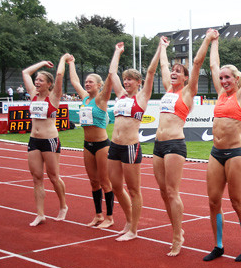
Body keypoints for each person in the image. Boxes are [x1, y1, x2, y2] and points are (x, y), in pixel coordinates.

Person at [155, 32, 214, 256]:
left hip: (174, 145)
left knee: (172, 191)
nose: (174, 72)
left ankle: (177, 235)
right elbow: (163, 64)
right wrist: (162, 47)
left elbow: (197, 62)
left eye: (179, 71)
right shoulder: (168, 90)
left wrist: (207, 40)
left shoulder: (188, 92)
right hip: (158, 145)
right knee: (162, 192)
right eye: (173, 70)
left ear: (186, 77)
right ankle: (175, 229)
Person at [203, 30, 241, 262]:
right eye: (222, 78)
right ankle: (218, 245)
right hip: (216, 153)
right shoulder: (221, 94)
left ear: (237, 79)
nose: (224, 81)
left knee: (236, 201)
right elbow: (214, 65)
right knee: (214, 201)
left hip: (235, 154)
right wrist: (214, 41)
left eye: (228, 78)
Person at [108, 41, 162, 241]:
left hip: (130, 147)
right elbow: (112, 73)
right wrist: (117, 51)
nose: (126, 82)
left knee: (133, 190)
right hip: (114, 146)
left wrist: (160, 49)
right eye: (125, 79)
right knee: (115, 186)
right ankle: (129, 220)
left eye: (130, 79)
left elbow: (150, 72)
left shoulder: (142, 97)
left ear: (138, 82)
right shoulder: (120, 96)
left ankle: (134, 229)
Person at [67, 54, 115, 228]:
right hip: (87, 145)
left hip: (102, 145)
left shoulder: (101, 99)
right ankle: (98, 215)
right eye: (86, 82)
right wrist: (71, 62)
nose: (87, 84)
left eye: (90, 82)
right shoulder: (84, 98)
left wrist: (115, 55)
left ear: (99, 85)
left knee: (105, 182)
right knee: (93, 182)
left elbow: (111, 78)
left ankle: (110, 217)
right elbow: (74, 82)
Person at [21, 55, 71, 226]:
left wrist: (63, 60)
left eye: (41, 80)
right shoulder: (33, 95)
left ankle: (63, 205)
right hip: (34, 140)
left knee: (54, 176)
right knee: (36, 177)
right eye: (37, 79)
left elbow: (59, 76)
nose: (37, 82)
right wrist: (42, 63)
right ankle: (40, 213)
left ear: (48, 84)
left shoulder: (54, 97)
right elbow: (25, 72)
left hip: (50, 140)